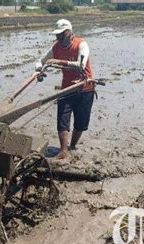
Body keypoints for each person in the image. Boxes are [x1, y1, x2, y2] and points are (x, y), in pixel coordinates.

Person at [36, 19, 94, 160]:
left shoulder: (81, 44)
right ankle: (63, 151)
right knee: (62, 119)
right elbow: (40, 60)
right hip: (67, 88)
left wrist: (59, 61)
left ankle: (72, 146)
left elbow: (81, 64)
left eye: (61, 34)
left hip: (85, 88)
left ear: (69, 32)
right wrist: (39, 71)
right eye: (57, 35)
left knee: (80, 122)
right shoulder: (56, 47)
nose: (58, 37)